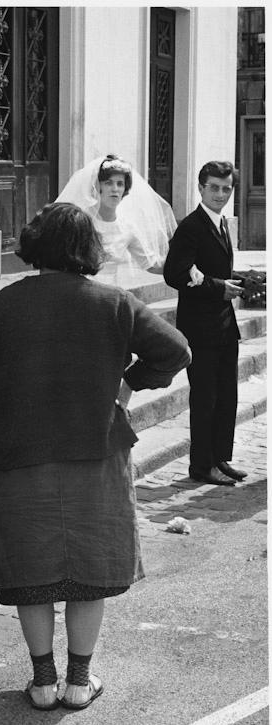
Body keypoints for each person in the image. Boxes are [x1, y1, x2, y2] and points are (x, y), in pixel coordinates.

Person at [0, 203, 190, 710]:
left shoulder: (3, 305)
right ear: (89, 249)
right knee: (89, 568)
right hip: (95, 453)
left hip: (20, 457)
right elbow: (175, 351)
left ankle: (43, 682)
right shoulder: (112, 301)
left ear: (33, 245)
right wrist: (128, 384)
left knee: (32, 572)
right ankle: (79, 682)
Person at [163, 160, 247, 487]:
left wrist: (241, 281)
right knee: (205, 398)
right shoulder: (191, 227)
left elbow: (215, 268)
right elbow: (175, 273)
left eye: (227, 189)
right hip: (200, 329)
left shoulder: (222, 222)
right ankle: (201, 466)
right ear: (200, 187)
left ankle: (219, 459)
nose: (221, 194)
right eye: (214, 187)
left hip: (225, 326)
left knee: (227, 396)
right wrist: (217, 288)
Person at [56, 154, 176, 284]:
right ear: (97, 187)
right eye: (108, 183)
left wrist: (185, 265)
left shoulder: (127, 227)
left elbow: (152, 264)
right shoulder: (80, 221)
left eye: (120, 184)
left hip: (110, 292)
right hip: (80, 290)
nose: (115, 189)